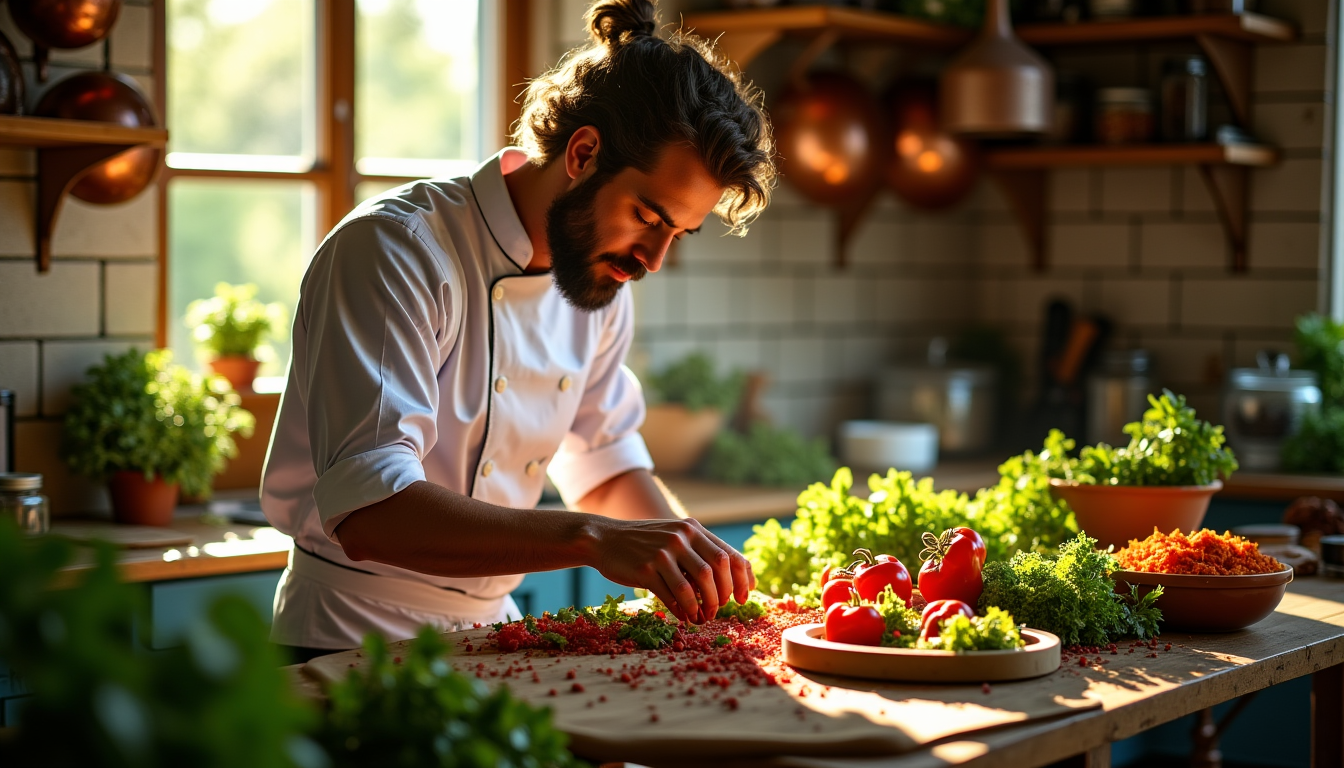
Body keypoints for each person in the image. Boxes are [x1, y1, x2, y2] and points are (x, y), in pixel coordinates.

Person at [260, 0, 776, 662]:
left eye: (677, 232)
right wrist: (592, 539)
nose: (653, 259)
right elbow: (371, 511)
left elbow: (605, 462)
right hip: (344, 639)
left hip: (491, 636)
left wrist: (685, 554)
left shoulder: (597, 278)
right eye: (648, 216)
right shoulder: (399, 250)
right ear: (584, 153)